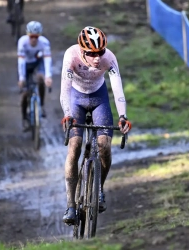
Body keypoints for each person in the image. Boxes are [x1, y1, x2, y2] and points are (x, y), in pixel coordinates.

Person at [60, 26, 132, 225]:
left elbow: (117, 89)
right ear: (82, 50)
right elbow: (65, 89)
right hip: (76, 99)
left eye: (100, 52)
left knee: (104, 146)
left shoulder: (109, 57)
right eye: (92, 54)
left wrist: (123, 116)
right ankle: (71, 205)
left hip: (99, 98)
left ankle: (99, 189)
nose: (97, 58)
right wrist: (67, 114)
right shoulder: (71, 55)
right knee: (74, 147)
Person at [17, 21, 53, 129]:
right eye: (31, 36)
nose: (34, 39)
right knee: (24, 94)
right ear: (28, 35)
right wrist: (21, 78)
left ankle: (41, 105)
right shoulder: (22, 42)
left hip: (38, 63)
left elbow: (47, 60)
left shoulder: (44, 42)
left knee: (41, 80)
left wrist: (48, 76)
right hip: (26, 65)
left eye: (36, 37)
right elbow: (21, 62)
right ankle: (24, 118)